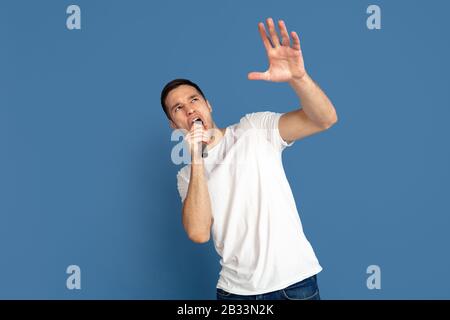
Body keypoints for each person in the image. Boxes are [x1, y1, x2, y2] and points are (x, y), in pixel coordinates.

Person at [160, 18, 337, 300]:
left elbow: (324, 119)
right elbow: (198, 233)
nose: (189, 110)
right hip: (236, 294)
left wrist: (298, 78)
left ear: (208, 105)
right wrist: (196, 158)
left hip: (296, 284)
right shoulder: (186, 176)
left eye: (194, 100)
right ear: (174, 124)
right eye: (178, 108)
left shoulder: (254, 129)